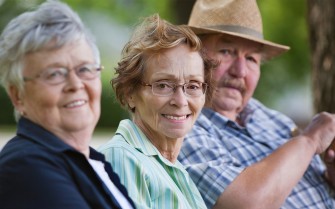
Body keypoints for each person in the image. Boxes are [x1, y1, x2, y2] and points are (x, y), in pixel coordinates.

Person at [178, 0, 335, 208]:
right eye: (226, 51)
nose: (240, 71)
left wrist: (330, 178)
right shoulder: (180, 126)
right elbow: (245, 205)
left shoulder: (271, 118)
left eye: (251, 59)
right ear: (192, 57)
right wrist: (310, 140)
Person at [0, 1, 135, 208]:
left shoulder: (92, 161)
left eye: (84, 69)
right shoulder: (25, 166)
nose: (75, 84)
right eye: (54, 74)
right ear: (18, 95)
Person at [98, 14, 216, 209]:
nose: (180, 101)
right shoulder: (121, 159)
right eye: (163, 85)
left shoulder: (172, 168)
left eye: (193, 85)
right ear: (130, 94)